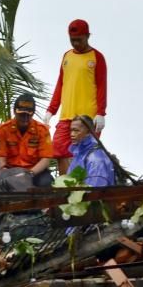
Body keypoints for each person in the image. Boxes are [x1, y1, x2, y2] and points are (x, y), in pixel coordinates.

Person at [44, 19, 107, 174]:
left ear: (87, 36)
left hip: (88, 118)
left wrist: (100, 113)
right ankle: (65, 187)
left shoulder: (96, 57)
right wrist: (51, 110)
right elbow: (61, 83)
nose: (76, 43)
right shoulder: (67, 56)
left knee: (84, 153)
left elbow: (102, 87)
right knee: (58, 149)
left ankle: (82, 189)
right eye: (72, 40)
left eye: (79, 40)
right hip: (66, 115)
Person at [0, 93, 54, 187]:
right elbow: (1, 158)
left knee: (46, 183)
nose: (25, 118)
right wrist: (5, 172)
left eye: (28, 115)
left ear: (33, 114)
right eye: (22, 115)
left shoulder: (42, 130)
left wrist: (30, 174)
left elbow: (45, 159)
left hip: (35, 172)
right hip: (11, 172)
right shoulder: (3, 130)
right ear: (14, 112)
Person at [67, 115, 116, 187]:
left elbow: (95, 191)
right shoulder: (79, 153)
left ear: (88, 132)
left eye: (76, 130)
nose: (72, 134)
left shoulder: (96, 158)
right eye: (71, 130)